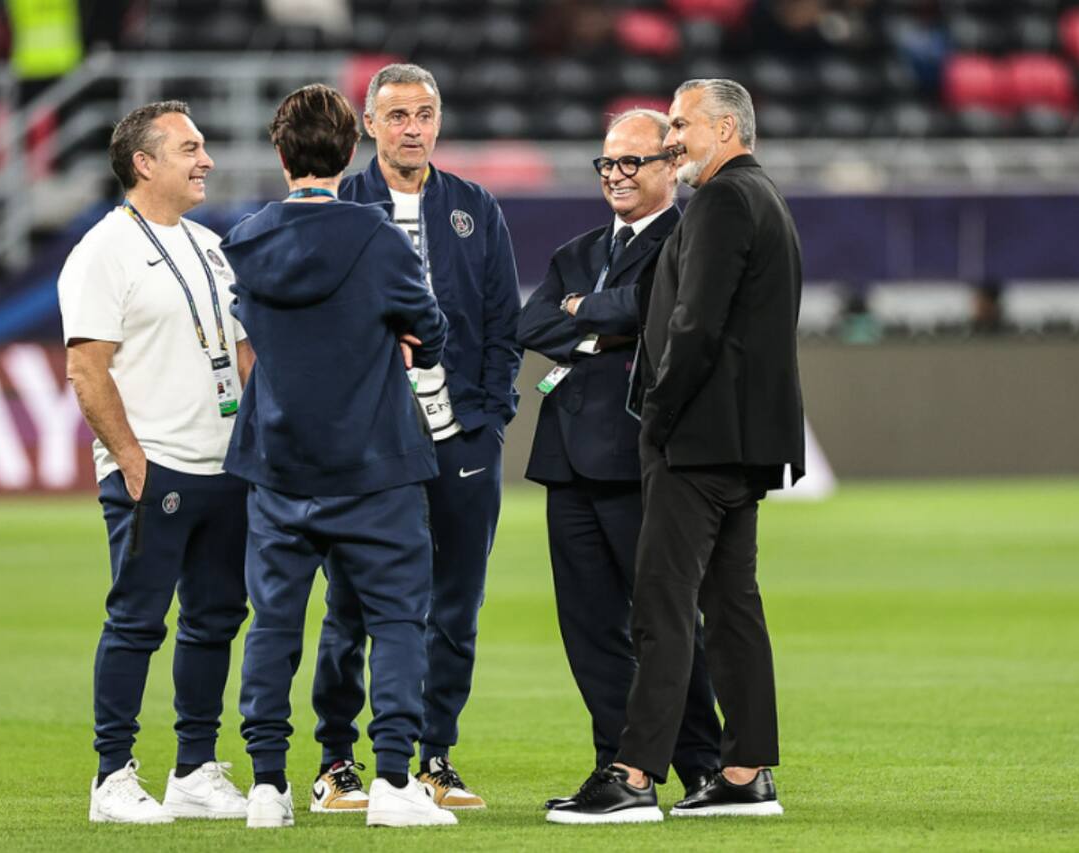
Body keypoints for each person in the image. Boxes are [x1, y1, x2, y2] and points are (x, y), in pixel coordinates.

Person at [549, 78, 805, 824]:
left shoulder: (723, 200)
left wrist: (655, 412)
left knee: (661, 603)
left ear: (725, 129)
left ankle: (631, 774)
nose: (670, 139)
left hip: (696, 439)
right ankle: (744, 771)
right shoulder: (766, 198)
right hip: (742, 439)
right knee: (730, 605)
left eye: (680, 124)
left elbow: (694, 323)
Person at [222, 83, 455, 830]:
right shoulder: (378, 236)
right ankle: (391, 781)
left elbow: (253, 337)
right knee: (395, 621)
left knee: (273, 624)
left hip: (280, 464)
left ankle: (266, 786)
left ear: (281, 154)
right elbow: (430, 329)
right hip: (375, 463)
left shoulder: (247, 239)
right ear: (352, 148)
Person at [310, 62, 522, 812]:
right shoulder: (340, 207)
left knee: (457, 604)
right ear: (369, 124)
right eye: (397, 115)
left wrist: (488, 417)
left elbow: (504, 322)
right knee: (351, 603)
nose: (413, 128)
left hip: (460, 435)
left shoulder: (473, 207)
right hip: (369, 442)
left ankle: (434, 755)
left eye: (425, 113)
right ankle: (337, 758)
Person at [516, 109, 722, 811]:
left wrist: (594, 313)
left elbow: (651, 308)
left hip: (642, 458)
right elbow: (532, 321)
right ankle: (618, 764)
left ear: (670, 166)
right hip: (566, 459)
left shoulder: (687, 239)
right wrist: (600, 326)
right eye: (607, 163)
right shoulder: (574, 250)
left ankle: (702, 760)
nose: (617, 175)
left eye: (632, 162)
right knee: (588, 628)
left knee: (664, 621)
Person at [59, 100, 252, 824]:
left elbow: (237, 348)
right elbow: (87, 366)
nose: (205, 159)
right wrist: (130, 456)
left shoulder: (209, 244)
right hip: (156, 465)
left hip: (224, 466)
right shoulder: (102, 251)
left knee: (215, 617)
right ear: (144, 163)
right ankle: (111, 777)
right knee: (138, 619)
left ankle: (195, 769)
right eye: (189, 147)